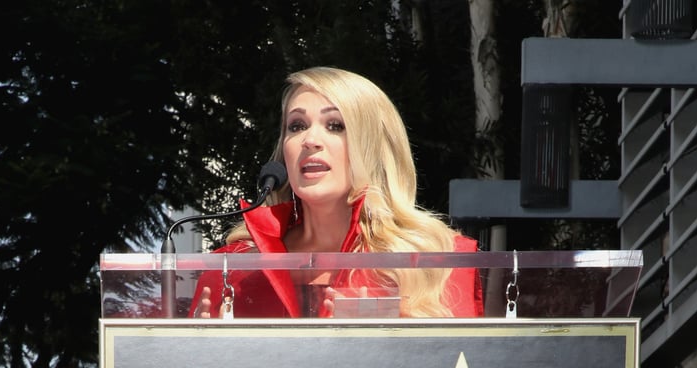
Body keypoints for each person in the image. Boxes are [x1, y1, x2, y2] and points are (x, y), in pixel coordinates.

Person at [188, 66, 483, 320]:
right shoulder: (233, 268)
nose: (310, 140)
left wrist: (387, 342)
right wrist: (206, 350)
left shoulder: (435, 260)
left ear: (372, 147)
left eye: (335, 125)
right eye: (297, 126)